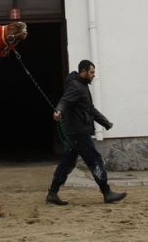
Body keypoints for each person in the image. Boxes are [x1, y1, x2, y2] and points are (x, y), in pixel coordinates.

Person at [46, 59, 127, 205]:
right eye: (91, 72)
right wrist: (58, 111)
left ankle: (52, 193)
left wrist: (105, 123)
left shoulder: (82, 86)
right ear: (83, 71)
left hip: (74, 132)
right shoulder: (76, 87)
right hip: (79, 132)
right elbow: (65, 101)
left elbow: (90, 109)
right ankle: (106, 192)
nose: (93, 75)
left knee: (67, 163)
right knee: (94, 160)